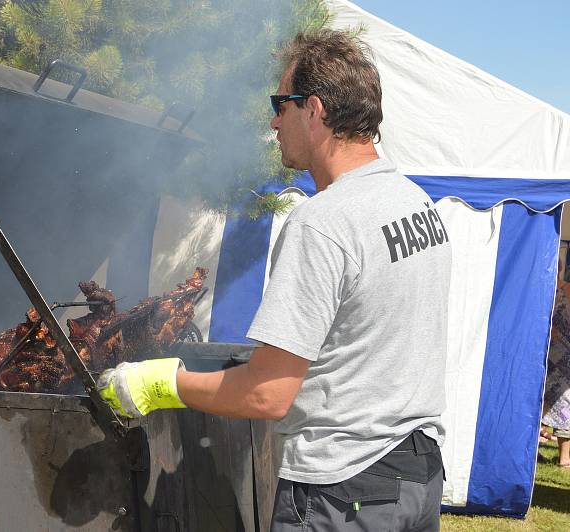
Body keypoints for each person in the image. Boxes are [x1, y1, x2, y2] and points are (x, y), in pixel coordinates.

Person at [98, 29, 452, 531]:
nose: (272, 120)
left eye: (279, 103)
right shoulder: (415, 202)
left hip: (342, 492)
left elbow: (267, 394)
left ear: (313, 109)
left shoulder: (324, 221)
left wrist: (159, 383)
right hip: (416, 478)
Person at [541, 258, 570, 467]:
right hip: (561, 358)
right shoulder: (561, 291)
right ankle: (564, 458)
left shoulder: (543, 291)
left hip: (547, 355)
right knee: (564, 406)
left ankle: (532, 452)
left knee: (541, 403)